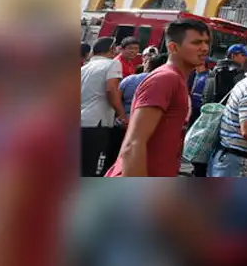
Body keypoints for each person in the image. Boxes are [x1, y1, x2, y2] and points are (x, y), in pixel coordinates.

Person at [106, 19, 210, 177]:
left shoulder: (178, 79)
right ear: (173, 47)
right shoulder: (165, 78)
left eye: (206, 42)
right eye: (197, 43)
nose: (204, 48)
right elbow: (133, 144)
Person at [80, 37, 126, 176]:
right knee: (95, 169)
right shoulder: (112, 64)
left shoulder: (85, 67)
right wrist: (122, 115)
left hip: (82, 121)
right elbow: (111, 89)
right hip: (98, 123)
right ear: (112, 49)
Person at [119, 53, 168, 118]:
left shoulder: (129, 79)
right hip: (148, 120)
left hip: (124, 118)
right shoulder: (164, 84)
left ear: (147, 65)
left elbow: (117, 97)